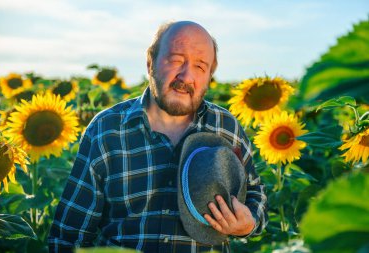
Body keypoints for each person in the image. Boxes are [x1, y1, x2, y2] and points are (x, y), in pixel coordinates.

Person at [48, 20, 268, 253]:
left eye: (200, 67)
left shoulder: (226, 128)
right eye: (176, 60)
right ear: (150, 63)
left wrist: (249, 223)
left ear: (209, 77)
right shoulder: (107, 129)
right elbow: (68, 236)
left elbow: (255, 193)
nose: (186, 76)